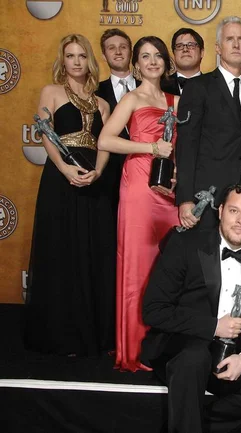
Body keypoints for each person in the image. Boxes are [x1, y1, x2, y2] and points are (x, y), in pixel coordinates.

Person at [141, 183, 241, 433]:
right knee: (193, 359)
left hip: (229, 354)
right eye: (233, 211)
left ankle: (187, 423)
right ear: (220, 211)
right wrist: (214, 326)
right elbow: (154, 309)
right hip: (181, 345)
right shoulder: (185, 244)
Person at [24, 34, 114, 357]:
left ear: (89, 60)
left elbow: (105, 143)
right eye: (70, 56)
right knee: (62, 250)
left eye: (81, 56)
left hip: (94, 179)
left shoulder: (102, 102)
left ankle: (93, 334)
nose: (76, 61)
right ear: (62, 60)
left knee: (93, 252)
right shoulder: (51, 92)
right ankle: (61, 335)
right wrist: (64, 168)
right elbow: (46, 135)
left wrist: (99, 172)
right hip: (61, 178)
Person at [98, 36, 181, 372]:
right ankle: (133, 349)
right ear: (136, 63)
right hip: (138, 186)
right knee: (138, 267)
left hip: (169, 190)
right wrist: (149, 149)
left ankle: (162, 347)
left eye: (157, 55)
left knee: (170, 270)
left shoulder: (176, 99)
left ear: (166, 62)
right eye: (144, 56)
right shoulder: (131, 98)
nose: (151, 61)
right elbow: (105, 139)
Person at [176, 16, 241, 230]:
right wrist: (185, 198)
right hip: (207, 193)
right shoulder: (198, 87)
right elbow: (186, 146)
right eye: (229, 39)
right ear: (218, 47)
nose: (236, 44)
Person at [96, 28, 140, 219]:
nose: (118, 52)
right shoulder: (94, 92)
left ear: (131, 52)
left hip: (145, 172)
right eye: (111, 48)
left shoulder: (154, 87)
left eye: (123, 47)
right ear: (104, 55)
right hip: (108, 176)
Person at [161, 28, 204, 96]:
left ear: (202, 52)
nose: (185, 49)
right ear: (174, 53)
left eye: (191, 45)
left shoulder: (215, 87)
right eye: (179, 46)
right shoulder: (159, 87)